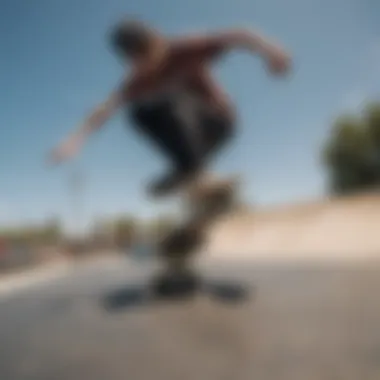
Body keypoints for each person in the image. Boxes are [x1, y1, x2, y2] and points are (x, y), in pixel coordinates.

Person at [49, 18, 291, 198]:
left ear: (157, 38)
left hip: (219, 122)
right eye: (140, 63)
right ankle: (189, 175)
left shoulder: (185, 48)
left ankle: (193, 172)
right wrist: (75, 140)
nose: (150, 67)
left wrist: (271, 50)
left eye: (152, 55)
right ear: (130, 61)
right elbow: (107, 107)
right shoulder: (138, 79)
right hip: (190, 137)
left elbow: (239, 35)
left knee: (168, 98)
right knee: (138, 112)